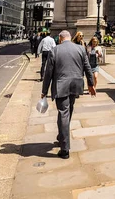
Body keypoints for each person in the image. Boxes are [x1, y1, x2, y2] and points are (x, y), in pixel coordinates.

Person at [42, 30, 95, 159]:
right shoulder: (80, 49)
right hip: (76, 84)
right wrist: (91, 84)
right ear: (70, 38)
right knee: (68, 109)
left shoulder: (55, 50)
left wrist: (44, 91)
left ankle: (64, 148)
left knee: (63, 112)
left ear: (60, 39)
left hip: (61, 85)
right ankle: (62, 135)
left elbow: (48, 72)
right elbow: (87, 67)